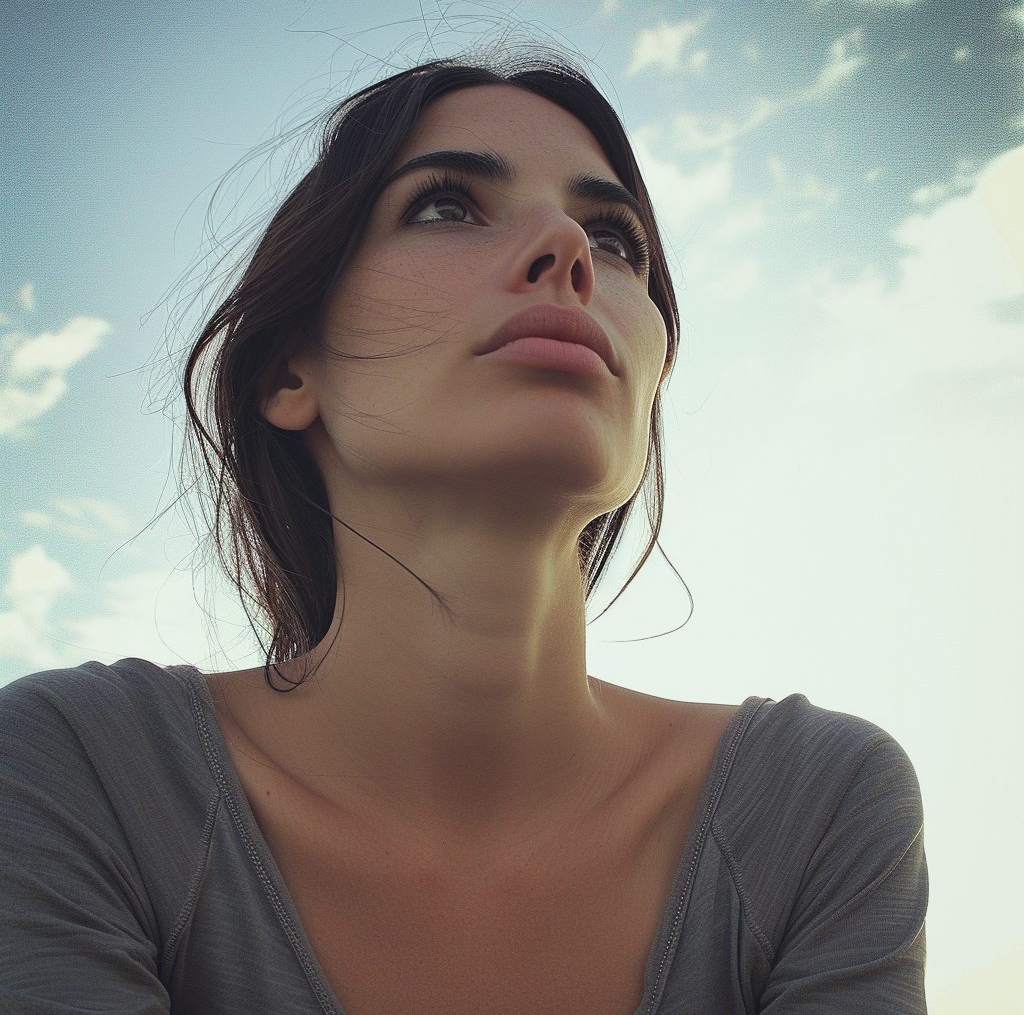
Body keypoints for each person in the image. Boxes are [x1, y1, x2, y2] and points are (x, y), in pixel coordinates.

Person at [0, 53, 927, 1014]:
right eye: (446, 206)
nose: (567, 245)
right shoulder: (86, 774)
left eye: (615, 238)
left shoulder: (818, 808)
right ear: (287, 372)